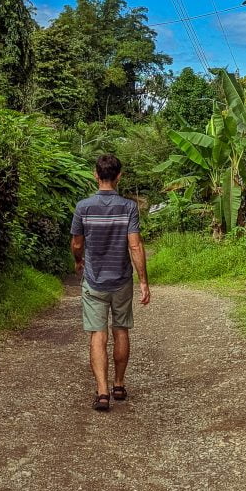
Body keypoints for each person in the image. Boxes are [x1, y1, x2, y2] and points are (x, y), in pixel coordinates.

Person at [70, 153, 151, 412]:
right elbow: (135, 246)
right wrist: (143, 281)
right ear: (119, 176)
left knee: (98, 334)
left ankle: (102, 392)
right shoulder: (128, 207)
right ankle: (119, 384)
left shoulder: (83, 207)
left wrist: (78, 261)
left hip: (94, 281)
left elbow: (77, 243)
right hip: (121, 280)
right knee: (121, 330)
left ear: (96, 175)